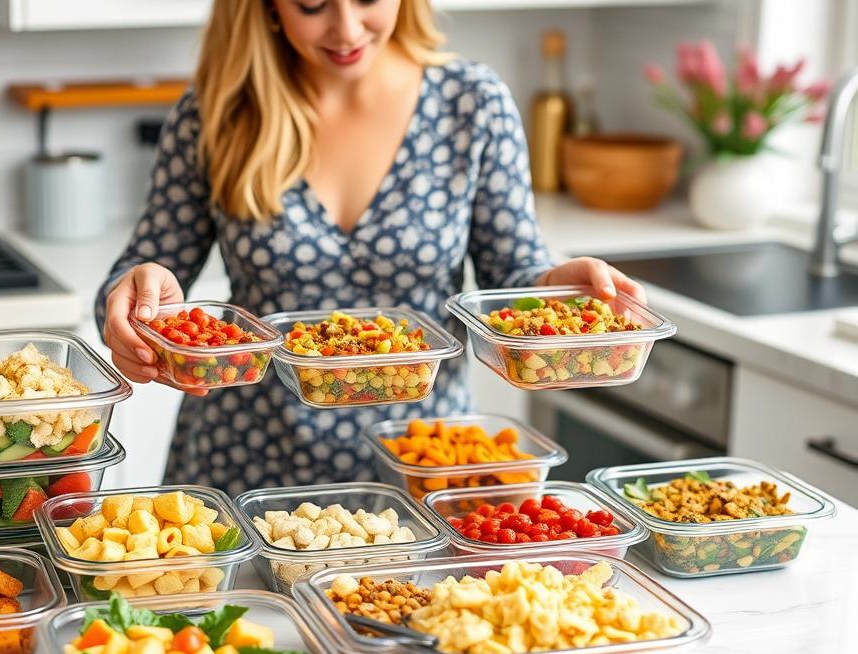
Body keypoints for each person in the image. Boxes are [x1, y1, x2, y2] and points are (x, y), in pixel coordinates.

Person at [96, 0, 645, 497]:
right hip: (246, 459)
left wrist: (557, 286)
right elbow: (141, 275)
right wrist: (136, 294)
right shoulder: (216, 113)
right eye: (313, 5)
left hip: (423, 460)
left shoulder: (473, 103)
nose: (346, 28)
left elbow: (514, 275)